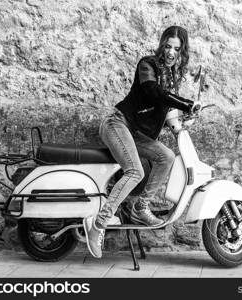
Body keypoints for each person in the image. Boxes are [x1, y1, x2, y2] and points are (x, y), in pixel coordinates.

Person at [83, 26, 197, 258]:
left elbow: (168, 112)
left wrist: (184, 122)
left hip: (135, 133)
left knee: (166, 156)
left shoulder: (174, 79)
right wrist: (186, 103)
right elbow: (153, 92)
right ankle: (98, 225)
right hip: (117, 124)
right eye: (167, 46)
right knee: (134, 171)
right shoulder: (147, 65)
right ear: (162, 45)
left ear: (183, 51)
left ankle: (140, 207)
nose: (171, 52)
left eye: (176, 48)